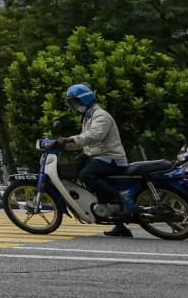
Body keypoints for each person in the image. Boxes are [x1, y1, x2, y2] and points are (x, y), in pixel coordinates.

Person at [53, 83, 131, 237]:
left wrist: (71, 139)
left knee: (86, 175)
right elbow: (87, 142)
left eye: (75, 102)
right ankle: (119, 224)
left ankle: (117, 198)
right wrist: (64, 145)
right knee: (75, 170)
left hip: (111, 157)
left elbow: (95, 135)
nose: (74, 106)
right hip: (98, 155)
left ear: (84, 99)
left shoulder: (100, 115)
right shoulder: (89, 116)